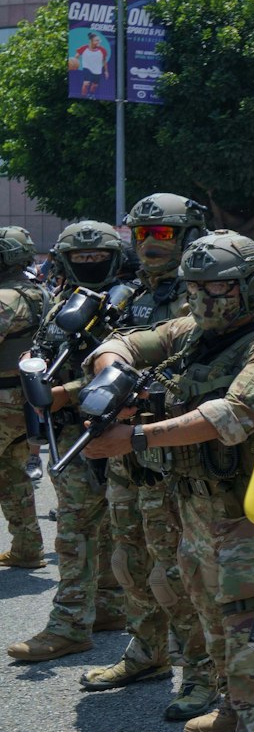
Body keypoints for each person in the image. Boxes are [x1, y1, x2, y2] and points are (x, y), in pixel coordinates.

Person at [71, 230, 254, 732]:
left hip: (253, 514)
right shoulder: (196, 331)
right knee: (210, 619)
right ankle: (234, 708)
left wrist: (133, 436)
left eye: (219, 290)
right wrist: (112, 367)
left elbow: (232, 414)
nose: (205, 301)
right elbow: (134, 341)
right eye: (196, 289)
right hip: (197, 507)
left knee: (251, 634)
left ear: (251, 288)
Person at [77, 195, 219, 723]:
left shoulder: (209, 292)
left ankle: (203, 674)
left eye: (162, 235)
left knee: (175, 571)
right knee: (127, 561)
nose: (149, 244)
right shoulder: (131, 292)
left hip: (168, 448)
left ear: (187, 236)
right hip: (123, 447)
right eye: (141, 235)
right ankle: (147, 652)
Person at [7, 221, 132, 663]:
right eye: (80, 259)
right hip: (68, 429)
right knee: (84, 525)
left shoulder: (133, 301)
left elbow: (125, 372)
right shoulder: (63, 297)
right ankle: (95, 612)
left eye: (97, 257)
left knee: (100, 531)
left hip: (120, 429)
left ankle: (76, 621)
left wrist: (62, 392)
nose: (89, 264)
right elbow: (46, 343)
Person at [0, 227, 48, 572]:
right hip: (23, 399)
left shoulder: (7, 297)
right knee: (11, 473)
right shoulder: (38, 292)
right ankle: (27, 547)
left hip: (4, 398)